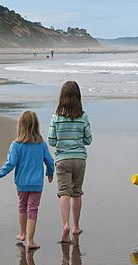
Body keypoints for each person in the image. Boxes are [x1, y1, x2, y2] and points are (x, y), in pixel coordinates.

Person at [0, 111, 54, 249]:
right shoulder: (41, 144)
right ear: (36, 126)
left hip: (22, 183)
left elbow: (10, 164)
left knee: (22, 206)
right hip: (37, 184)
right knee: (33, 209)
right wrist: (50, 173)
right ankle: (30, 241)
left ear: (20, 126)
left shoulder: (16, 145)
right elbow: (49, 161)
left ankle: (22, 233)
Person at [48, 81, 92, 243]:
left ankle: (65, 224)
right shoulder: (83, 116)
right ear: (78, 97)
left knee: (64, 193)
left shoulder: (56, 117)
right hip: (80, 159)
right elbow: (88, 139)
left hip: (62, 159)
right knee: (77, 192)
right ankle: (76, 226)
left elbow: (51, 141)